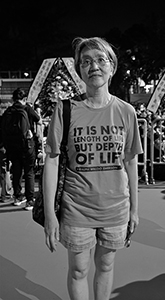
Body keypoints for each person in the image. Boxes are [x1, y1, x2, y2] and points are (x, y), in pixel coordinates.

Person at [43, 37, 143, 300]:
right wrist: (50, 215)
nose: (94, 66)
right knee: (78, 270)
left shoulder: (126, 111)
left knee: (106, 265)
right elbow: (51, 161)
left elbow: (130, 162)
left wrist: (134, 208)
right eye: (86, 61)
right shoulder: (65, 110)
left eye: (101, 60)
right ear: (79, 70)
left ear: (112, 67)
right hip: (76, 207)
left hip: (115, 208)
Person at [2, 88, 40, 210]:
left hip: (12, 147)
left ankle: (17, 197)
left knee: (16, 171)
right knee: (29, 172)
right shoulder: (27, 109)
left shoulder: (8, 111)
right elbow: (38, 119)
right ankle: (29, 200)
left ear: (13, 99)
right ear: (24, 99)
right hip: (27, 146)